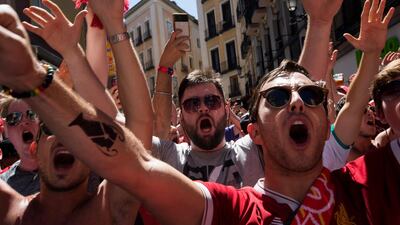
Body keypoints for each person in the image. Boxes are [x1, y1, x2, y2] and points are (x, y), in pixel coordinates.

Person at [0, 94, 40, 195]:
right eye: (13, 118)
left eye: (31, 114)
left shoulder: (70, 170)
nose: (23, 122)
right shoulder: (3, 186)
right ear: (6, 130)